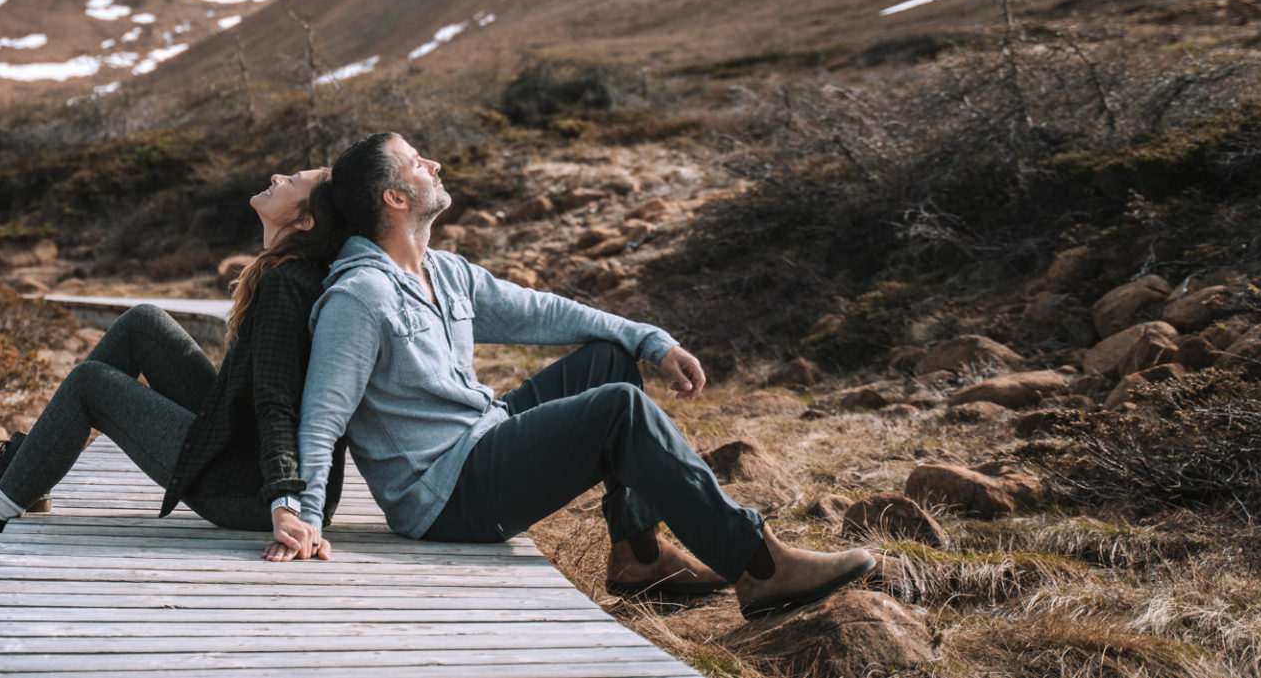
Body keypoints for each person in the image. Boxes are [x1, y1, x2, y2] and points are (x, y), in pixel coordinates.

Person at [287, 132, 877, 619]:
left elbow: (547, 312)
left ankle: (639, 553)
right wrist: (305, 513)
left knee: (611, 358)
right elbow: (323, 415)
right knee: (617, 407)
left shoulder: (443, 272)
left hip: (481, 435)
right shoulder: (359, 298)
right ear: (394, 197)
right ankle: (759, 565)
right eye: (418, 162)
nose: (435, 163)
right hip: (444, 494)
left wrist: (650, 339)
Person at [0, 167, 350, 592]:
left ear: (305, 222)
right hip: (240, 450)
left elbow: (277, 403)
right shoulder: (284, 273)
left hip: (249, 490)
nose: (277, 176)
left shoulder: (285, 287)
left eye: (293, 181)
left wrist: (285, 504)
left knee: (90, 384)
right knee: (144, 322)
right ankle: (21, 467)